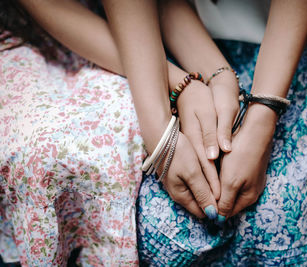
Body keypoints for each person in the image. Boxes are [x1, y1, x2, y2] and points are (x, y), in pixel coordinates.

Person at [137, 0, 307, 265]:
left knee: (278, 213)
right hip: (187, 35)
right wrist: (213, 77)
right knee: (168, 220)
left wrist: (264, 114)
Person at [0, 0, 225, 265]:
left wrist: (215, 79)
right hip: (37, 33)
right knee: (47, 154)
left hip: (132, 37)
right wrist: (180, 87)